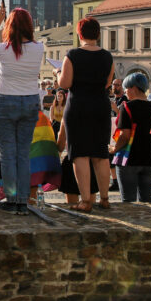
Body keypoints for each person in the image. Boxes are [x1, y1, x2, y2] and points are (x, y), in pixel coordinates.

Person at [0, 5, 45, 215]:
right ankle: (22, 199)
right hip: (29, 101)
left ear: (10, 27)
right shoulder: (39, 48)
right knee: (23, 153)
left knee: (7, 155)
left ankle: (12, 199)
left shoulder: (3, 49)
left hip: (5, 102)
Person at [58, 16, 114, 212]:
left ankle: (85, 200)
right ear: (98, 34)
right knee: (100, 152)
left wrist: (58, 74)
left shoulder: (72, 55)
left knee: (79, 154)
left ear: (80, 34)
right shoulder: (107, 56)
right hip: (100, 105)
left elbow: (65, 84)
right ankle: (105, 198)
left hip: (79, 106)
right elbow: (107, 83)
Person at [110, 73, 151, 203]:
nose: (125, 92)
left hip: (129, 160)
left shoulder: (126, 107)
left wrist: (114, 149)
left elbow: (125, 136)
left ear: (134, 88)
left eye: (126, 88)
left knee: (128, 201)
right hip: (149, 160)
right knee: (147, 200)